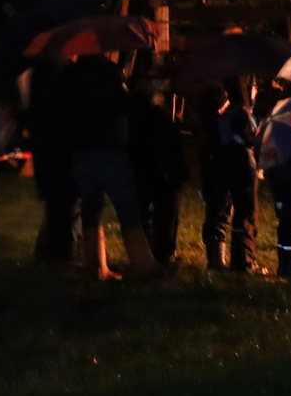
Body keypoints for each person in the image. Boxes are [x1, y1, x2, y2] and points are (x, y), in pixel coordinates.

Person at [58, 54, 161, 279]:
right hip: (109, 148)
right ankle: (143, 264)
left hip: (81, 150)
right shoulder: (108, 72)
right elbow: (127, 106)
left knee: (90, 209)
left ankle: (95, 266)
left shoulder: (70, 75)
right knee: (127, 208)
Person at [197, 77, 261, 273]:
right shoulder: (236, 112)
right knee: (239, 211)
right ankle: (240, 260)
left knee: (221, 209)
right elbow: (248, 137)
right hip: (237, 165)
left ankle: (219, 260)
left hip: (219, 164)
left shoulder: (216, 114)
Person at [127, 83, 188, 265]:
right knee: (166, 213)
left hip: (142, 171)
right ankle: (164, 252)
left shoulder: (132, 118)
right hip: (163, 172)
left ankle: (145, 252)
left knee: (143, 213)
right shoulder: (159, 116)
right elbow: (171, 144)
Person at [27, 58, 80, 265]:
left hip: (46, 148)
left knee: (56, 203)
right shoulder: (61, 72)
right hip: (61, 148)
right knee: (66, 201)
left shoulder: (40, 71)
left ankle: (52, 251)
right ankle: (63, 253)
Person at [257, 82, 291, 278]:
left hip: (278, 173)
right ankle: (288, 267)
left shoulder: (280, 115)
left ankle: (288, 265)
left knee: (289, 221)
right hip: (288, 175)